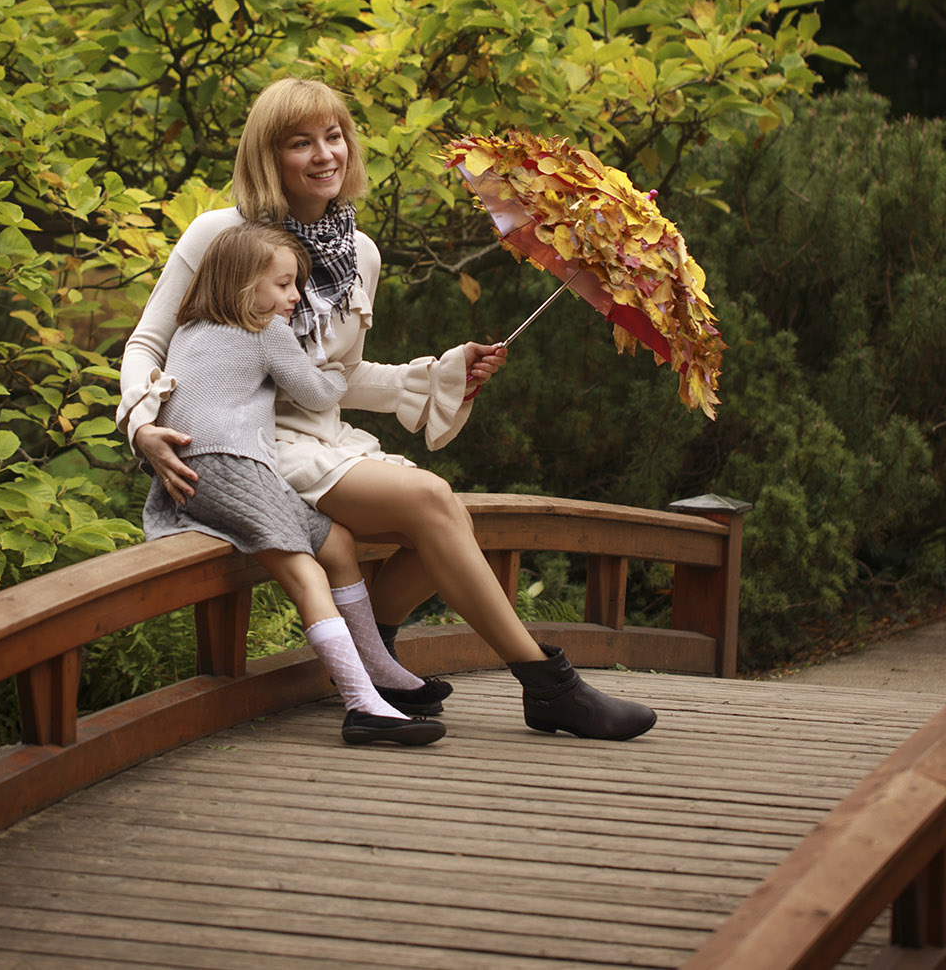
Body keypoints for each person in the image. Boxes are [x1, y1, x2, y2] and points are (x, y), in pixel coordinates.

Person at [119, 77, 656, 741]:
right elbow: (148, 341)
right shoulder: (221, 235)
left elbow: (338, 378)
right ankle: (548, 685)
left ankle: (369, 651)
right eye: (301, 142)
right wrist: (141, 424)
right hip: (252, 442)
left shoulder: (360, 252)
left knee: (442, 522)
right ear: (267, 156)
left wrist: (445, 371)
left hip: (325, 435)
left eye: (335, 135)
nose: (325, 154)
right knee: (432, 501)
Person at [139, 220, 445, 746]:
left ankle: (379, 671)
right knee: (306, 572)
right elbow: (318, 395)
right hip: (233, 465)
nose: (294, 296)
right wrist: (335, 370)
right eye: (283, 284)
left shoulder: (189, 332)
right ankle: (362, 705)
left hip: (202, 468)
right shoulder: (265, 331)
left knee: (337, 542)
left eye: (297, 284)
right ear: (243, 287)